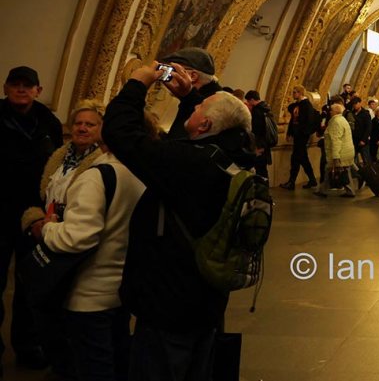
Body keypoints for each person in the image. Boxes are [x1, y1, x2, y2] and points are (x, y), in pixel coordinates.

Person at [102, 61, 257, 381]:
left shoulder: (188, 165)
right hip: (206, 298)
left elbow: (121, 134)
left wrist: (136, 83)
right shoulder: (232, 158)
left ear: (205, 125)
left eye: (200, 106)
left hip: (168, 302)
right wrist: (189, 98)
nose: (197, 104)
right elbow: (201, 134)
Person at [22, 100, 146, 380]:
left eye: (91, 124)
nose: (83, 128)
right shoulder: (136, 170)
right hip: (118, 284)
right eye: (79, 123)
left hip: (89, 290)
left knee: (92, 363)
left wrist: (48, 229)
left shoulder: (97, 175)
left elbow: (78, 237)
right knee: (115, 355)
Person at [0, 65, 64, 372]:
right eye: (16, 84)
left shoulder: (48, 122)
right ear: (6, 88)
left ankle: (27, 346)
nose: (21, 89)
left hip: (32, 216)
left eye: (28, 85)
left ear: (38, 90)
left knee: (29, 284)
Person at [158, 47, 222, 140]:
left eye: (171, 71)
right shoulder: (194, 98)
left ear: (192, 76)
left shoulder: (210, 105)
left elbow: (182, 145)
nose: (167, 76)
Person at [280, 85, 318, 190]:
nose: (293, 94)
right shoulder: (298, 105)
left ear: (300, 93)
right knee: (299, 158)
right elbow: (293, 120)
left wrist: (303, 132)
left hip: (302, 136)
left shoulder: (307, 105)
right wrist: (289, 133)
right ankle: (307, 180)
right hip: (297, 135)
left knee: (298, 158)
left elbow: (309, 121)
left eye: (295, 92)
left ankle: (295, 181)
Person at [319, 103, 355, 198]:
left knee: (342, 172)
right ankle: (321, 190)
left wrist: (336, 157)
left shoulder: (336, 122)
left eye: (331, 110)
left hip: (341, 153)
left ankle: (350, 191)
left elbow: (336, 140)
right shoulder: (342, 119)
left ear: (336, 111)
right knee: (331, 171)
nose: (329, 111)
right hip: (346, 151)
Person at [244, 90, 276, 179]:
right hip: (266, 144)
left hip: (259, 145)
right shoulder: (266, 108)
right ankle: (265, 189)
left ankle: (261, 190)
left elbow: (256, 130)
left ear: (253, 99)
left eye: (248, 101)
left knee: (259, 171)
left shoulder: (257, 111)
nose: (248, 103)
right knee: (263, 170)